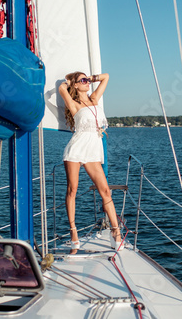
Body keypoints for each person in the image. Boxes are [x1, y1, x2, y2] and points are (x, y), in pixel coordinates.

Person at [58, 72, 122, 251]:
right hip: (76, 149)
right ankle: (73, 232)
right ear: (76, 86)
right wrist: (71, 81)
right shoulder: (74, 104)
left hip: (93, 151)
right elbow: (62, 88)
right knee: (72, 190)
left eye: (87, 80)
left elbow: (107, 77)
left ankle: (115, 231)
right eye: (83, 81)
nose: (87, 83)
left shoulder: (94, 98)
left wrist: (91, 78)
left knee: (106, 192)